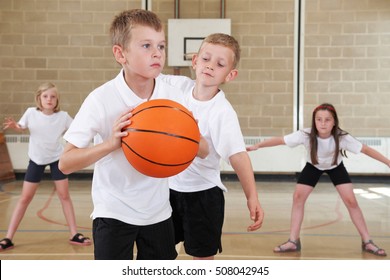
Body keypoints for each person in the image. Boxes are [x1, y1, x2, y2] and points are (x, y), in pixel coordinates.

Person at [58, 9, 208, 260]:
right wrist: (110, 143)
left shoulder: (174, 97)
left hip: (159, 213)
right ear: (120, 53)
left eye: (161, 45)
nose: (157, 52)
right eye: (146, 45)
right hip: (113, 212)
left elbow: (204, 151)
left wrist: (189, 134)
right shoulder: (101, 99)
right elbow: (65, 163)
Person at [159, 33, 265, 260]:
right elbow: (149, 76)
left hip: (203, 195)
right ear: (195, 61)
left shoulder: (222, 112)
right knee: (160, 252)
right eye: (206, 59)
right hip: (167, 190)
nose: (210, 66)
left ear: (230, 74)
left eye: (220, 64)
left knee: (202, 259)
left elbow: (238, 156)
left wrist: (252, 196)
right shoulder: (177, 87)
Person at [247, 103, 388, 256]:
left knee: (351, 201)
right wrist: (258, 145)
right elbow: (280, 140)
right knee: (298, 197)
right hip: (313, 166)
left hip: (336, 167)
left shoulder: (342, 137)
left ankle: (367, 241)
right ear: (314, 121)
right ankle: (293, 241)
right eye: (319, 119)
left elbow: (366, 149)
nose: (323, 123)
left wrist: (388, 162)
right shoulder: (306, 134)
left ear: (334, 122)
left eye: (327, 120)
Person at [0, 82, 91, 252]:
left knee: (64, 196)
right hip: (36, 159)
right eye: (45, 96)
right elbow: (21, 127)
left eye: (53, 96)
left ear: (57, 100)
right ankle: (8, 238)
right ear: (39, 98)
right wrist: (16, 127)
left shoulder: (63, 116)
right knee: (25, 198)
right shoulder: (30, 113)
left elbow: (78, 129)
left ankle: (74, 234)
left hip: (57, 159)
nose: (49, 99)